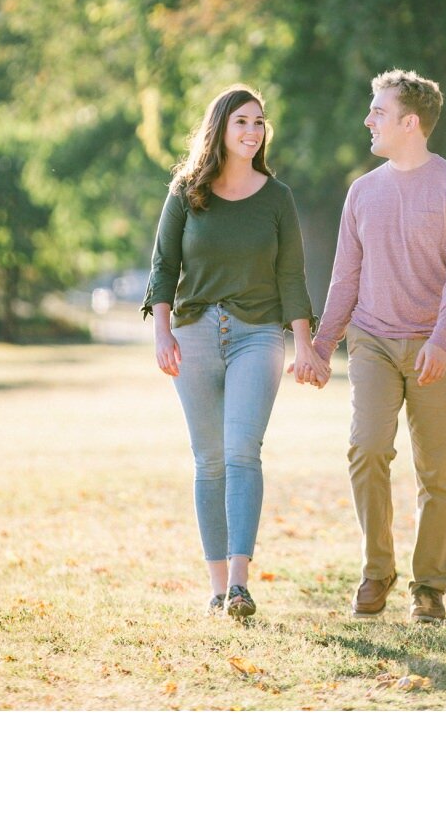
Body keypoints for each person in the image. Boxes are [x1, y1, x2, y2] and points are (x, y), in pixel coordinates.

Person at [308, 69, 446, 623]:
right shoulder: (362, 191)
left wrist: (440, 338)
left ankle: (429, 587)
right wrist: (320, 345)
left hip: (436, 348)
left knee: (436, 473)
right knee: (366, 449)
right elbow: (344, 277)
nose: (368, 119)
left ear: (410, 122)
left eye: (378, 111)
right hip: (374, 342)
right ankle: (377, 570)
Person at [144, 85, 317, 619]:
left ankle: (240, 585)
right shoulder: (186, 192)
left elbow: (291, 274)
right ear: (219, 128)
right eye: (242, 121)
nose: (252, 131)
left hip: (257, 333)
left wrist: (305, 344)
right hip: (193, 333)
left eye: (259, 122)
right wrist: (162, 332)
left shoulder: (277, 197)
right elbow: (162, 265)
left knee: (243, 451)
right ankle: (217, 585)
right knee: (209, 459)